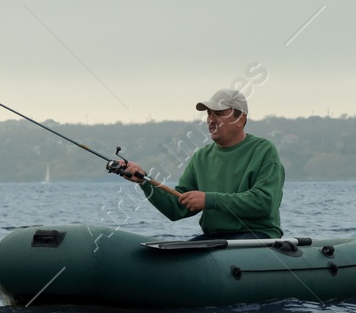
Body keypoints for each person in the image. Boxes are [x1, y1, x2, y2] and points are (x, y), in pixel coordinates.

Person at [118, 88, 284, 240]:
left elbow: (264, 202)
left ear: (240, 119)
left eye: (219, 113)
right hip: (215, 238)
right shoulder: (201, 157)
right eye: (209, 114)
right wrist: (144, 180)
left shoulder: (263, 150)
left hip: (257, 235)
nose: (211, 119)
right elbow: (176, 208)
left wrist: (209, 199)